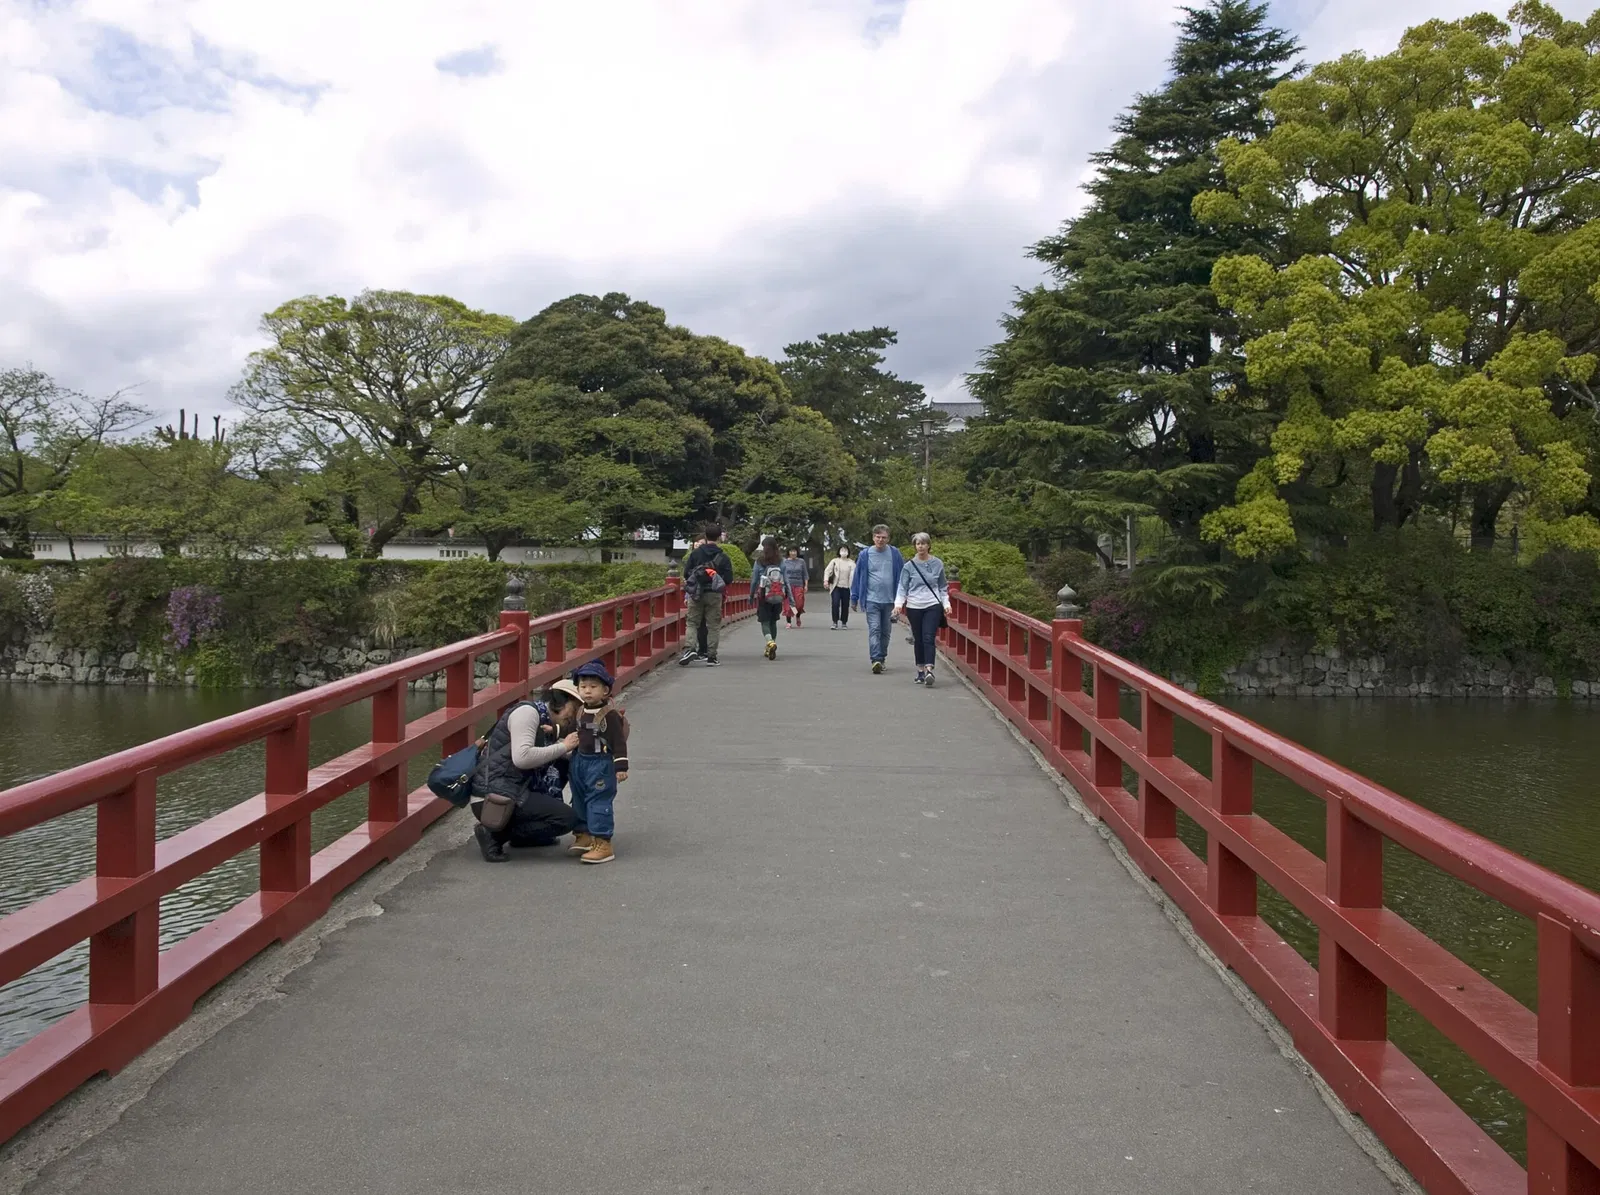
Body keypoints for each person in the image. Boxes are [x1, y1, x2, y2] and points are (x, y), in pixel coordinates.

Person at [470, 680, 583, 863]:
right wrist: (563, 747)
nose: (575, 715)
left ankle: (521, 836)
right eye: (575, 707)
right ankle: (493, 835)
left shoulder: (543, 720)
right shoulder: (528, 713)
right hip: (493, 797)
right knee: (566, 818)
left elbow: (549, 753)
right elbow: (522, 758)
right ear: (561, 702)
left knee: (561, 766)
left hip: (512, 789)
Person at [568, 660, 629, 865]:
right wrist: (555, 732)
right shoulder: (580, 711)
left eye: (593, 687)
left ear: (605, 691)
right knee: (578, 799)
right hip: (579, 762)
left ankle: (603, 842)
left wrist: (620, 766)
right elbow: (574, 732)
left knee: (598, 800)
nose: (587, 691)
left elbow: (618, 743)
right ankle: (584, 834)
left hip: (600, 763)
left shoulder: (609, 716)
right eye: (583, 687)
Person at [893, 532, 952, 686]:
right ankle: (920, 669)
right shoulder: (909, 566)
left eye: (923, 543)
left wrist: (946, 604)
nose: (920, 546)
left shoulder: (938, 564)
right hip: (914, 605)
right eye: (918, 544)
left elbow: (942, 587)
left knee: (928, 637)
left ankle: (929, 669)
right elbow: (902, 587)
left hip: (933, 604)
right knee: (918, 638)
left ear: (928, 545)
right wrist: (898, 604)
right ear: (915, 546)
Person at [849, 524, 903, 674]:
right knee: (875, 629)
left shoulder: (895, 554)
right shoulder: (865, 555)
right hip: (872, 599)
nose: (880, 540)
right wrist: (854, 597)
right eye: (878, 537)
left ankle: (882, 657)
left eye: (884, 537)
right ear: (873, 538)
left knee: (886, 631)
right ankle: (876, 659)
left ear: (888, 538)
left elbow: (902, 576)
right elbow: (858, 576)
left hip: (890, 600)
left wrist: (902, 598)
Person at [679, 523, 734, 667]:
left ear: (705, 535)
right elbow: (729, 579)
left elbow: (686, 573)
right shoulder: (723, 557)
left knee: (692, 622)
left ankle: (690, 648)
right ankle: (711, 657)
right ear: (719, 537)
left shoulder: (695, 554)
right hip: (714, 593)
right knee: (713, 625)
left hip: (696, 593)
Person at [750, 535, 797, 660]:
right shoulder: (781, 562)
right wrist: (790, 599)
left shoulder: (759, 561)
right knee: (773, 621)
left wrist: (751, 596)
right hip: (778, 596)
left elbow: (754, 580)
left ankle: (770, 642)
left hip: (764, 597)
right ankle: (771, 645)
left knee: (764, 621)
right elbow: (786, 581)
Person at [822, 545, 855, 629]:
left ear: (848, 551)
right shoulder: (835, 561)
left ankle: (844, 622)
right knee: (835, 604)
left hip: (846, 587)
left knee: (845, 605)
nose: (844, 551)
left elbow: (854, 575)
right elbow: (827, 571)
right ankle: (835, 622)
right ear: (839, 551)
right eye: (842, 549)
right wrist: (826, 581)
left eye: (845, 550)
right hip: (836, 586)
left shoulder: (851, 563)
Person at [781, 546, 810, 627]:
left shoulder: (801, 561)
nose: (793, 553)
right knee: (788, 604)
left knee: (799, 604)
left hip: (799, 584)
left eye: (794, 551)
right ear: (788, 552)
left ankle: (798, 616)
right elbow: (782, 574)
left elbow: (805, 574)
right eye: (791, 551)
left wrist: (806, 585)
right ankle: (789, 622)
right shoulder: (784, 562)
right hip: (788, 585)